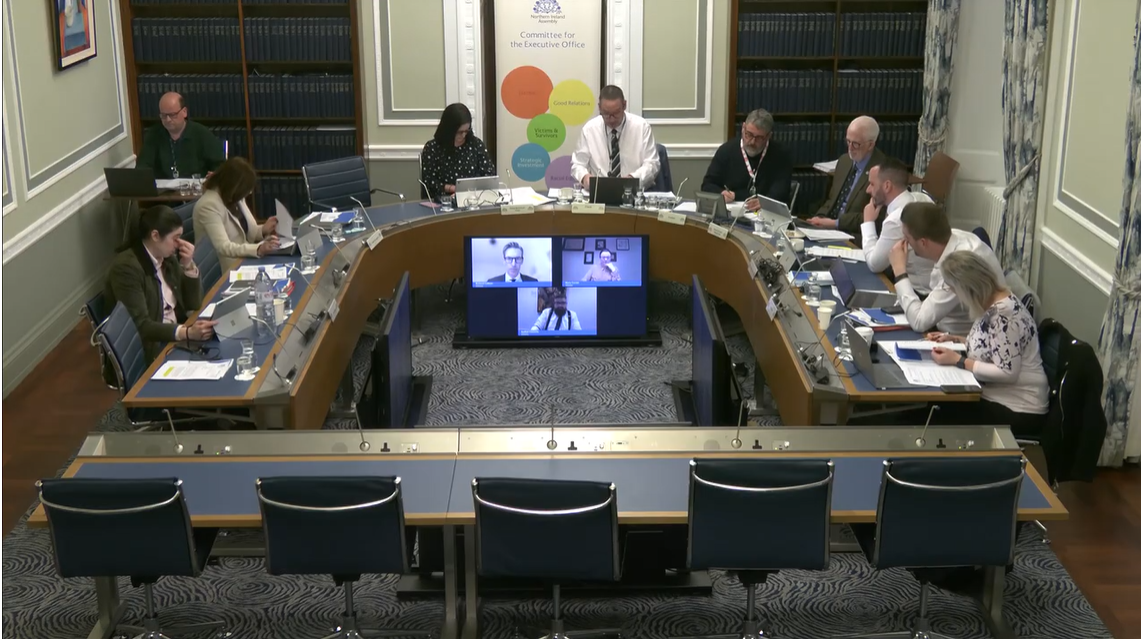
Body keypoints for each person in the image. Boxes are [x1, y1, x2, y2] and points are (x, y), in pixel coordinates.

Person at [925, 251, 1049, 436]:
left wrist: (959, 360)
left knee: (940, 414)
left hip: (1018, 408)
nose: (954, 294)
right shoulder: (995, 300)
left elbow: (1007, 372)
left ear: (968, 288)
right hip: (1001, 397)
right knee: (938, 408)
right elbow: (994, 346)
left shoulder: (1003, 315)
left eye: (953, 288)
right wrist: (955, 339)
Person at [105, 205, 216, 365]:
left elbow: (194, 303)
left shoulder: (166, 257)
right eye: (175, 238)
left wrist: (188, 265)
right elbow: (141, 325)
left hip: (177, 334)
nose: (179, 244)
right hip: (155, 348)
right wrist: (186, 333)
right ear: (155, 236)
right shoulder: (126, 269)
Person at [890, 202, 1006, 336]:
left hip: (966, 342)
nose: (904, 243)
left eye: (907, 238)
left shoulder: (959, 266)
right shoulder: (953, 237)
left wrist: (899, 272)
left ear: (923, 242)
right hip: (948, 332)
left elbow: (919, 322)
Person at [805, 116, 886, 238]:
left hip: (854, 236)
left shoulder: (882, 170)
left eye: (856, 144)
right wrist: (818, 219)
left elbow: (872, 216)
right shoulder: (844, 161)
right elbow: (832, 201)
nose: (850, 148)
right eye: (848, 141)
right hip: (828, 229)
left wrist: (835, 224)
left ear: (870, 145)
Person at [192, 157, 279, 271]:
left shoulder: (234, 197)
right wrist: (258, 249)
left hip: (245, 259)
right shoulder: (208, 205)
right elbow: (224, 247)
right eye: (246, 190)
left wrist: (263, 230)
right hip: (228, 268)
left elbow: (244, 233)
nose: (248, 193)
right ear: (234, 187)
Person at [860, 157, 934, 286]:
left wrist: (868, 222)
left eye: (872, 184)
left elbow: (874, 265)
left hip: (917, 292)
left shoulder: (897, 219)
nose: (868, 190)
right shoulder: (922, 198)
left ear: (887, 186)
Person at [701, 109, 793, 210]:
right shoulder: (726, 151)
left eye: (759, 138)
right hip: (733, 213)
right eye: (748, 134)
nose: (752, 142)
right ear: (743, 128)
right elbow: (708, 185)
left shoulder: (781, 154)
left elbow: (781, 192)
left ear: (768, 136)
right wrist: (721, 193)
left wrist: (765, 202)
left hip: (765, 214)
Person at [571, 85, 660, 190]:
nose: (611, 119)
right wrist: (584, 177)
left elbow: (652, 164)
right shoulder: (589, 129)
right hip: (599, 194)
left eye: (616, 113)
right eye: (606, 114)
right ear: (599, 108)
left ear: (624, 105)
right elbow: (577, 164)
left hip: (633, 192)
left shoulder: (641, 127)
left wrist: (632, 178)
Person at [137, 92, 225, 180]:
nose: (168, 120)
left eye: (172, 115)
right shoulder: (153, 134)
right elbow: (142, 167)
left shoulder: (202, 133)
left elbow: (220, 166)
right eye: (163, 115)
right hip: (164, 191)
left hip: (197, 188)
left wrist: (214, 175)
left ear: (184, 112)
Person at [420, 103, 496, 200]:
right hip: (442, 201)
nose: (463, 135)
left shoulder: (476, 145)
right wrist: (453, 189)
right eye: (460, 132)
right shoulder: (432, 148)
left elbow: (489, 175)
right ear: (449, 130)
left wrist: (469, 192)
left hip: (473, 199)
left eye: (467, 131)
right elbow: (429, 182)